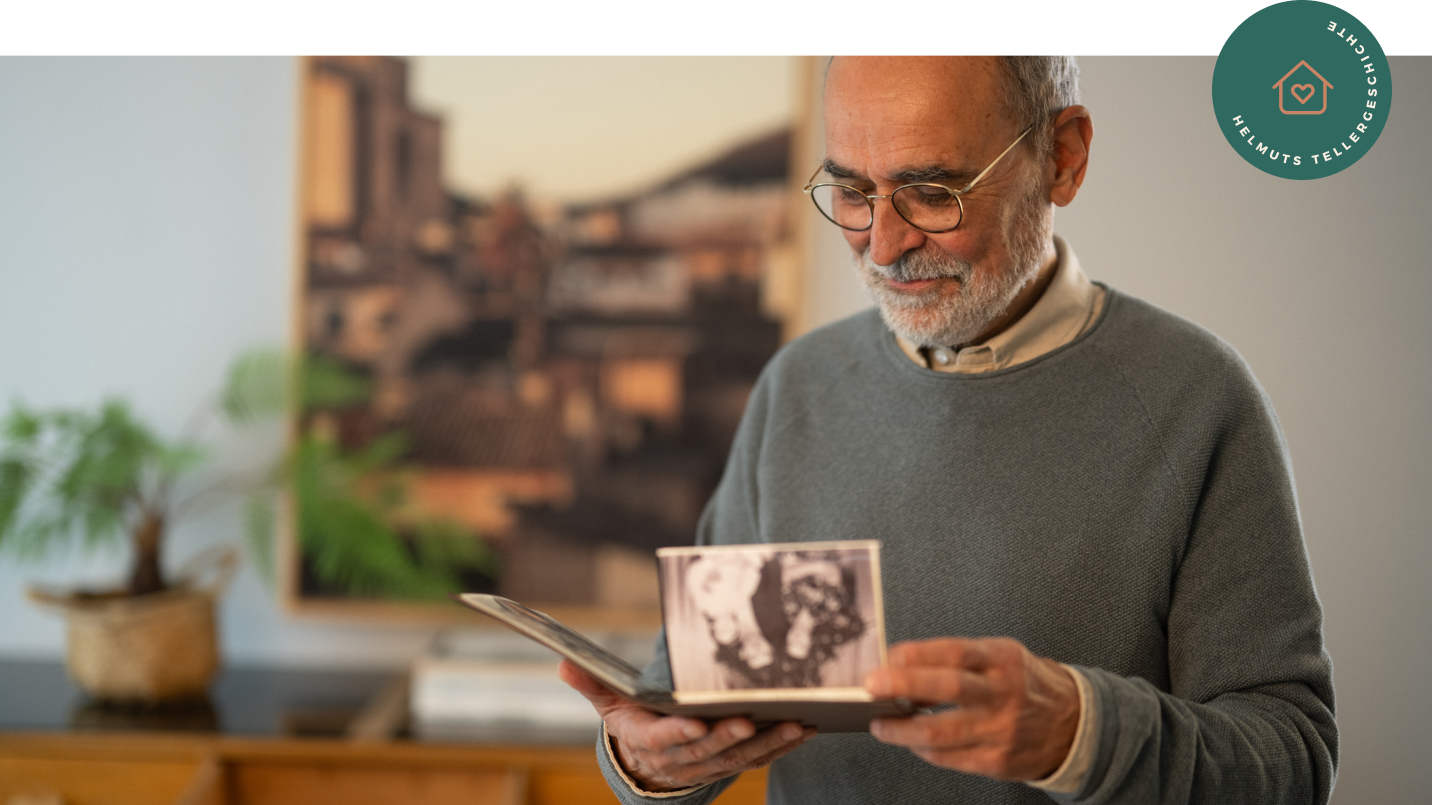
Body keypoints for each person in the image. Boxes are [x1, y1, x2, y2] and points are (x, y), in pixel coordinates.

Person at [560, 56, 1338, 805]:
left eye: (932, 190)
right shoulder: (796, 388)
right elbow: (685, 701)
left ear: (1063, 157)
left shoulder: (1197, 398)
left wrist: (1083, 735)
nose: (884, 243)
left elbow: (1293, 760)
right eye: (852, 190)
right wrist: (647, 760)